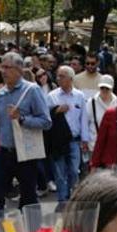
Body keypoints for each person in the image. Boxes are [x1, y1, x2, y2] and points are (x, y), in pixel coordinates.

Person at [0, 52, 51, 212]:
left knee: (28, 200)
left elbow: (46, 122)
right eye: (2, 67)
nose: (3, 71)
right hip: (4, 151)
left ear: (19, 69)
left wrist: (22, 119)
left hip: (25, 154)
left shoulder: (32, 90)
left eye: (8, 67)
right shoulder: (1, 94)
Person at [47, 66, 89, 202]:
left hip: (74, 140)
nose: (59, 79)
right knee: (60, 173)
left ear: (71, 79)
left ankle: (73, 197)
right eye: (58, 76)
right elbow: (45, 118)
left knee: (73, 171)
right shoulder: (52, 96)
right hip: (58, 141)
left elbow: (83, 118)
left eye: (62, 76)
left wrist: (85, 139)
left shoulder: (80, 96)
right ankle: (62, 200)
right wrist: (57, 111)